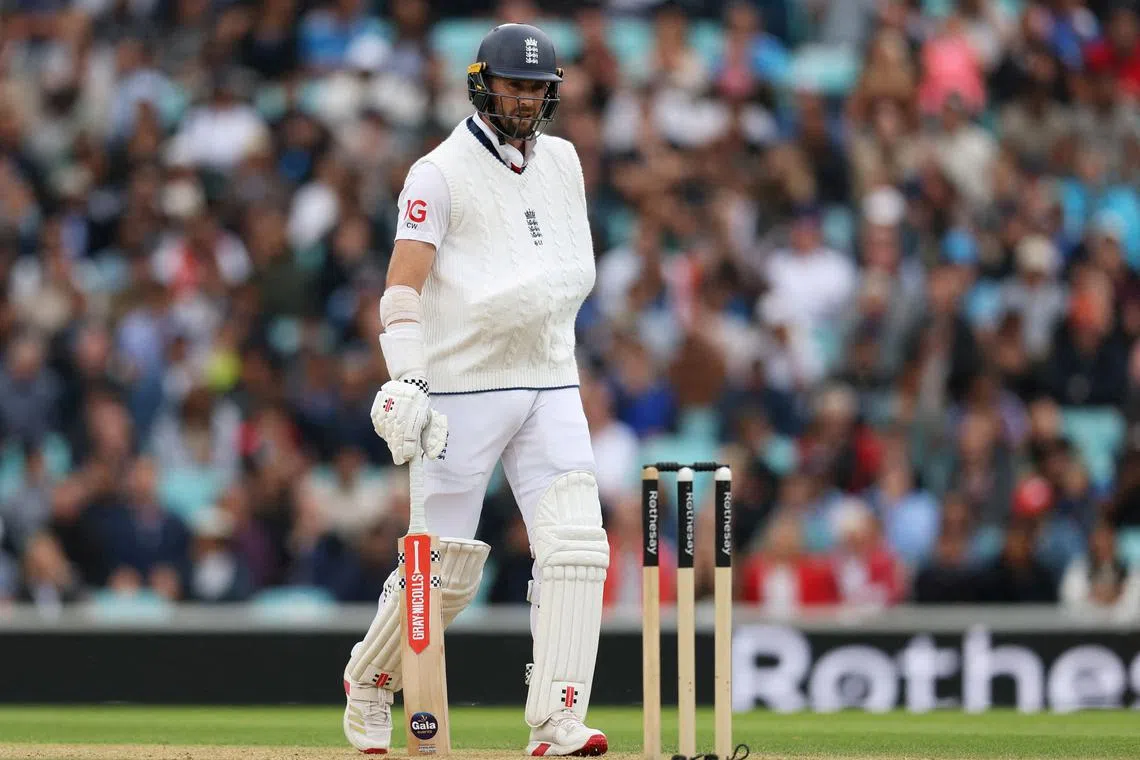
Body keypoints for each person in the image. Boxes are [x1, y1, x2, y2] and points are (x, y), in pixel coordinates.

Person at [341, 23, 609, 757]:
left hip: (551, 374)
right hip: (462, 386)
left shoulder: (563, 161)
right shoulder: (438, 172)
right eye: (513, 84)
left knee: (578, 548)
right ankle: (369, 678)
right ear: (481, 82)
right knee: (445, 573)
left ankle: (556, 718)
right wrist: (407, 381)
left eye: (537, 88)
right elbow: (401, 288)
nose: (525, 99)